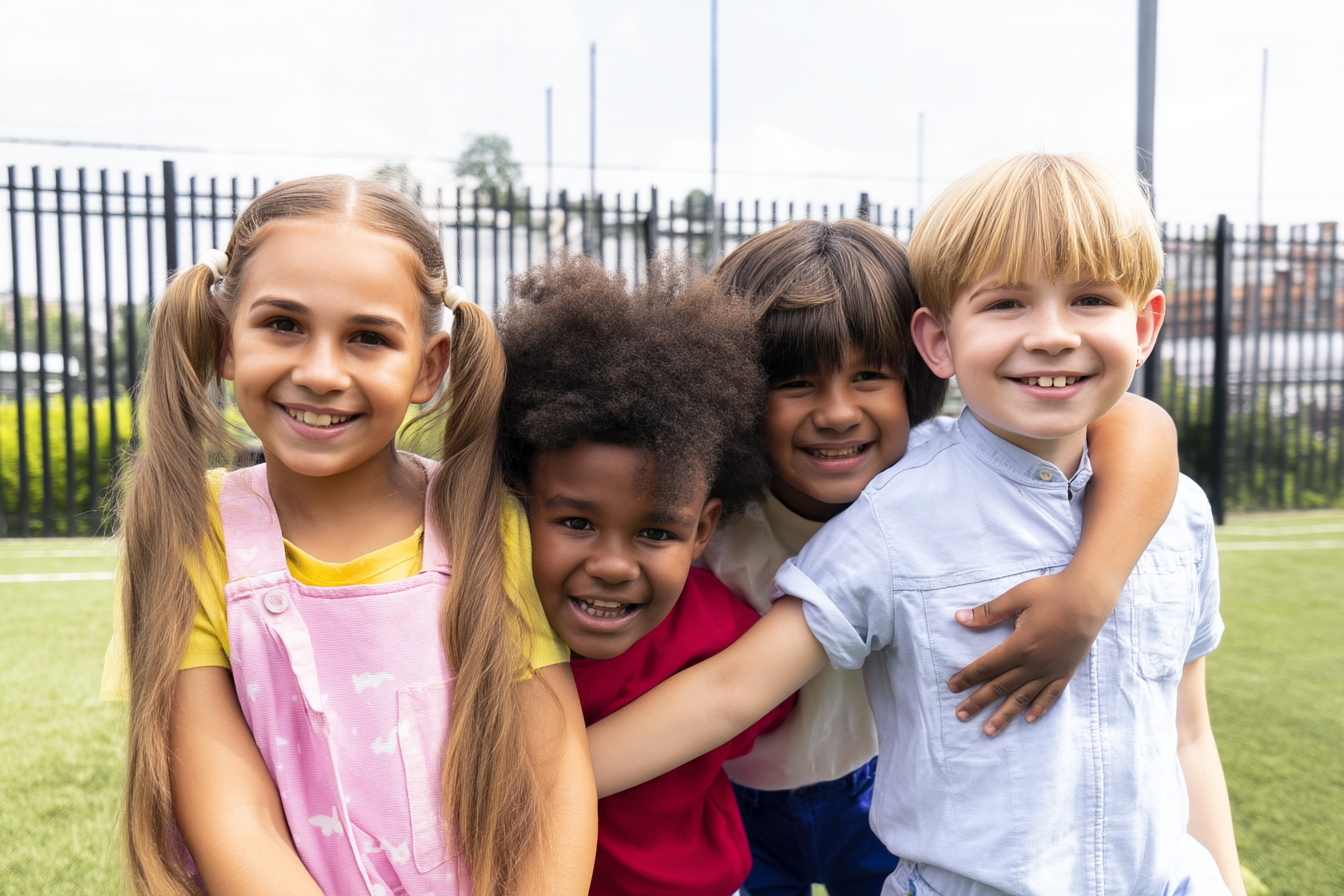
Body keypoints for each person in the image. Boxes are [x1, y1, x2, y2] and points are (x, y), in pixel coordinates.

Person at [587, 154, 1245, 896]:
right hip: (751, 800)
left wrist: (1091, 588)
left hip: (887, 795)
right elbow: (726, 692)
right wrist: (531, 782)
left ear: (1146, 323)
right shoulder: (865, 518)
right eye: (1007, 304)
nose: (1054, 334)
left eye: (1091, 298)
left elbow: (1187, 729)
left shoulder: (1171, 509)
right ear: (938, 341)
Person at [102, 176, 595, 896]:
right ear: (225, 343)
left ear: (429, 367)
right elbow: (234, 818)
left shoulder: (486, 526)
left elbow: (554, 782)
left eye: (367, 338)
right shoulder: (188, 533)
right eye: (282, 325)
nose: (322, 372)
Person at [692, 217, 1184, 895]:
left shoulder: (939, 484)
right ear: (737, 389)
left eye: (870, 374)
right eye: (796, 382)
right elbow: (719, 693)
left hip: (875, 787)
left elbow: (1136, 419)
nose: (837, 412)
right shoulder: (702, 520)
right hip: (731, 798)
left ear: (925, 362)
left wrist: (1089, 589)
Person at [495, 255, 794, 896]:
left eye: (656, 533)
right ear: (521, 499)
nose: (610, 566)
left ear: (704, 530)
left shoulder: (728, 632)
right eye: (576, 522)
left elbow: (771, 709)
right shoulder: (481, 624)